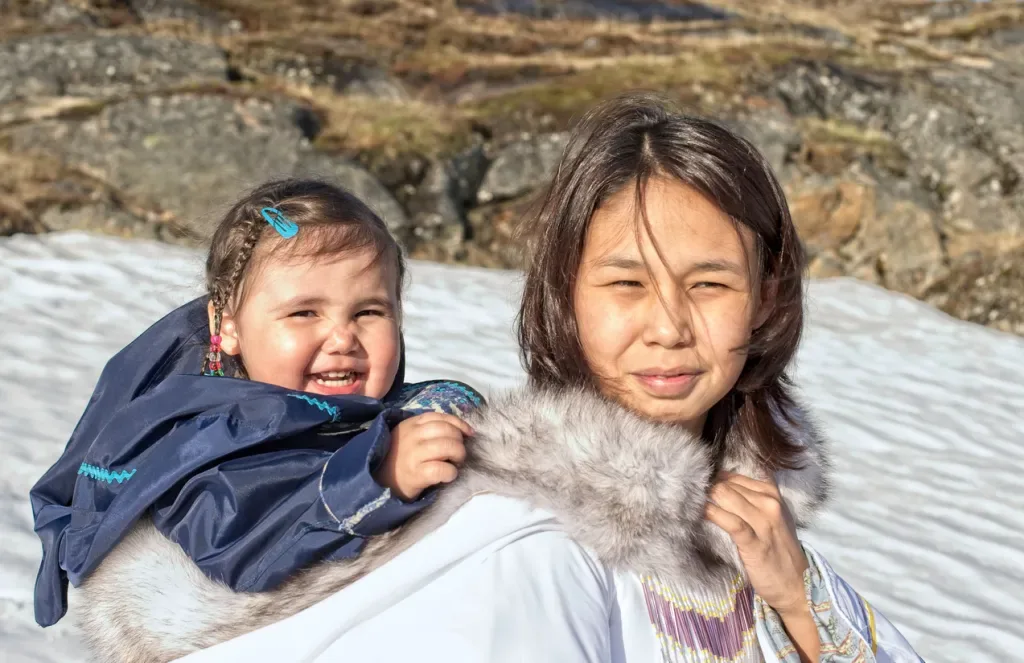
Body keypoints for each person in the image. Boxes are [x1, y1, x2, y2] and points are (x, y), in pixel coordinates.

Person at [74, 95, 924, 663]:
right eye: (625, 283)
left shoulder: (757, 523)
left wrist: (803, 602)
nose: (669, 325)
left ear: (766, 294)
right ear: (563, 294)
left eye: (709, 283)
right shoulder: (523, 533)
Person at [30, 178, 482, 630]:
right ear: (227, 327)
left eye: (369, 312)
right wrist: (374, 480)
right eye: (304, 312)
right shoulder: (211, 437)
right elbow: (232, 546)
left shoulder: (361, 412)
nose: (344, 337)